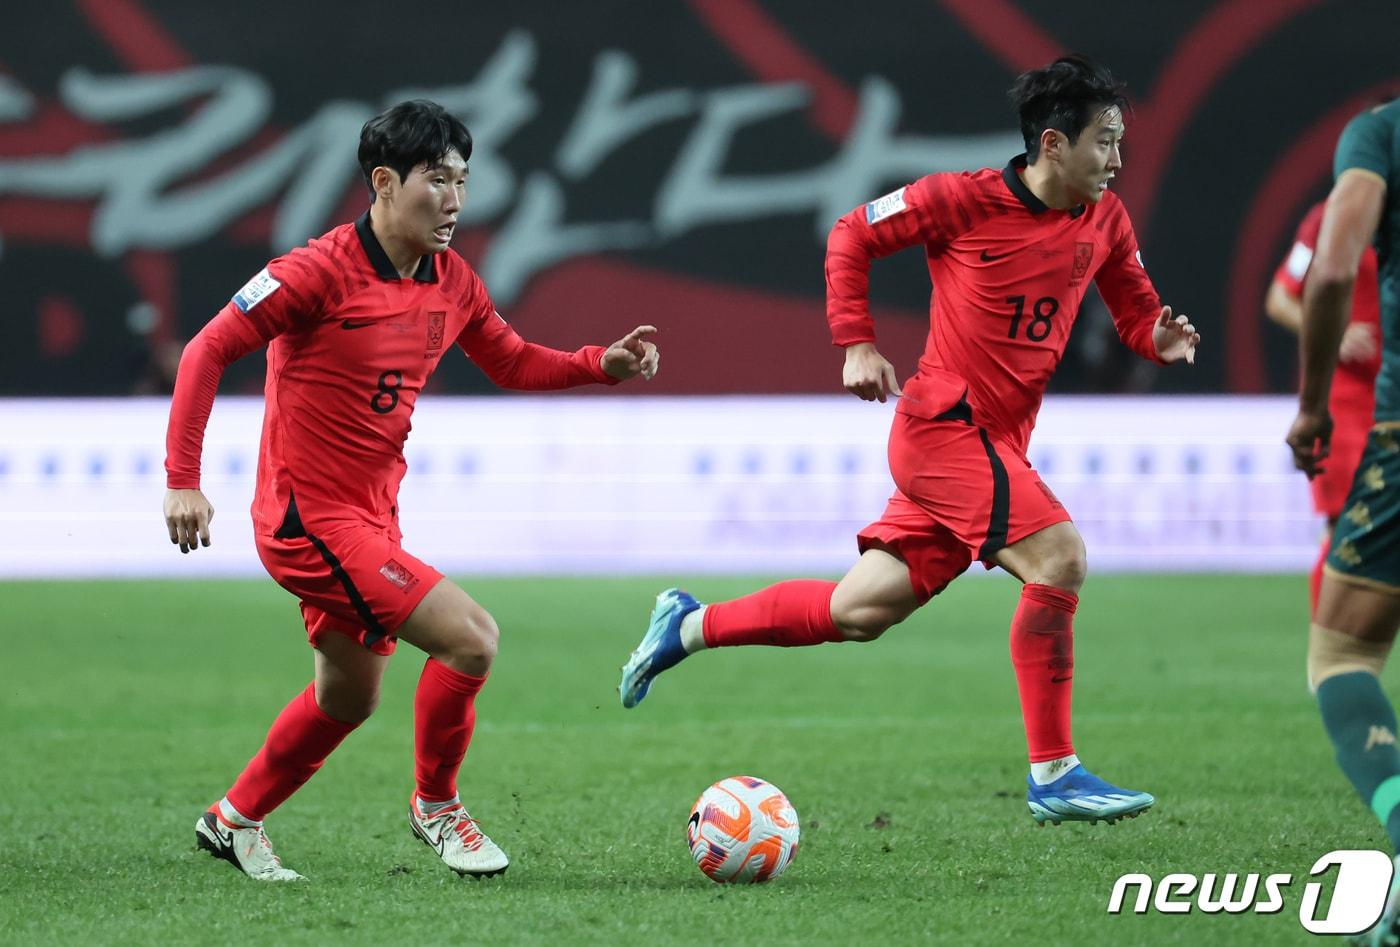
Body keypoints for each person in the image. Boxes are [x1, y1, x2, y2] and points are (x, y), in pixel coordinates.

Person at [619, 55, 1200, 827]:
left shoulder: (1106, 219)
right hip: (942, 430)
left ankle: (685, 625)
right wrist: (855, 341)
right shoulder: (958, 199)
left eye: (1121, 142)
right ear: (1053, 145)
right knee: (1059, 558)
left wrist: (1155, 336)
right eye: (1105, 142)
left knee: (858, 609)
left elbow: (1133, 308)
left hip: (999, 444)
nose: (1118, 161)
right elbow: (850, 234)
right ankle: (1055, 771)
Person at [163, 100, 659, 882]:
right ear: (385, 182)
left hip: (373, 518)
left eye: (463, 180)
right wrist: (182, 481)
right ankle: (438, 806)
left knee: (347, 698)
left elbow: (514, 360)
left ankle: (232, 820)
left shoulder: (450, 279)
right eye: (438, 179)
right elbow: (204, 351)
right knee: (472, 637)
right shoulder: (313, 272)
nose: (456, 200)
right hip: (306, 519)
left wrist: (603, 363)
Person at [1285, 97, 1400, 945]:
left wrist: (1309, 406)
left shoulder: (1379, 135)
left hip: (1387, 426)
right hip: (1367, 420)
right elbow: (1291, 288)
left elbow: (1327, 270)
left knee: (1345, 649)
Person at [1267, 201, 1380, 614]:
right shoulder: (1327, 219)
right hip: (1343, 398)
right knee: (1345, 524)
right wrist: (1335, 332)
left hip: (1392, 391)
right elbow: (1280, 298)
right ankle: (1329, 659)